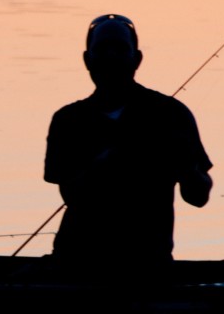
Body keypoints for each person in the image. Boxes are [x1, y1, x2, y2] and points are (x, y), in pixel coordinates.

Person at [43, 14, 212, 269]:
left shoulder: (171, 114)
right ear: (87, 60)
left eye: (120, 49)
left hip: (148, 262)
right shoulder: (68, 120)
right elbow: (72, 195)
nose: (111, 57)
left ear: (137, 59)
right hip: (76, 260)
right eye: (102, 50)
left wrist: (186, 168)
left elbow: (198, 197)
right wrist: (108, 162)